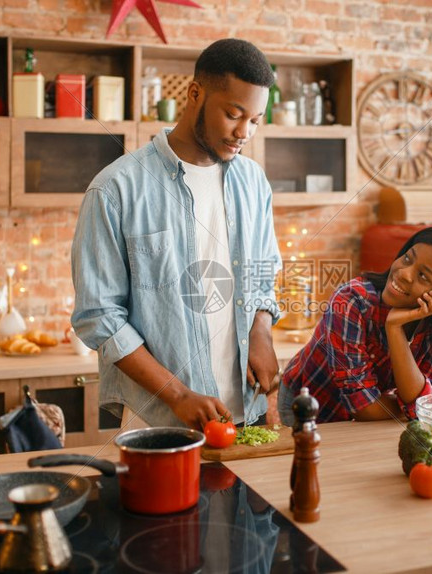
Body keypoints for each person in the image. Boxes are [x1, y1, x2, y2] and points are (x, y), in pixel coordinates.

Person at [71, 39, 282, 431]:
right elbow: (99, 318)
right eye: (234, 114)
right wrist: (178, 395)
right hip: (159, 423)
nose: (244, 132)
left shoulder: (254, 182)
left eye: (254, 120)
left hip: (246, 418)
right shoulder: (116, 189)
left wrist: (262, 331)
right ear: (195, 94)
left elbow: (263, 273)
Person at [278, 225, 432, 425]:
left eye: (423, 276)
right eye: (407, 258)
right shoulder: (352, 301)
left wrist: (395, 330)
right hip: (307, 403)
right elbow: (366, 408)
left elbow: (426, 405)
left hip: (373, 414)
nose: (404, 273)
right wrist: (410, 406)